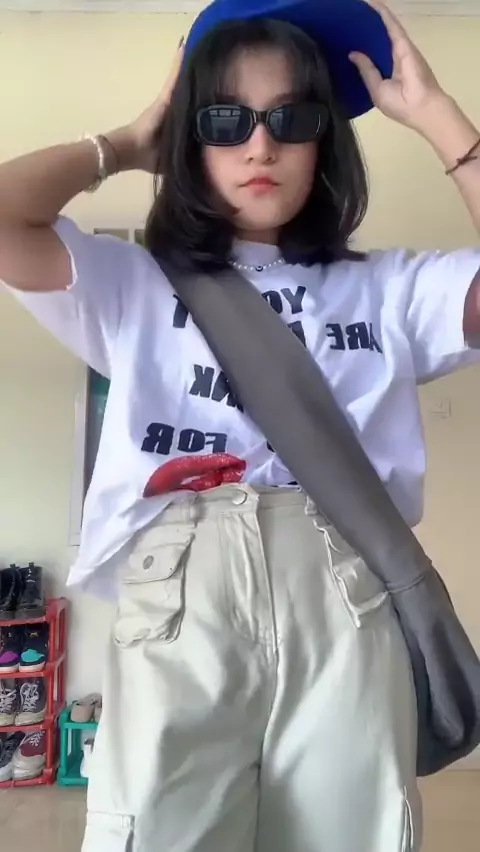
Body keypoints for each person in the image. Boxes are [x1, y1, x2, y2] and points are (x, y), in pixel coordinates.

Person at [1, 1, 479, 849]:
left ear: (325, 140)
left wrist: (442, 120)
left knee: (352, 834)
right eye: (225, 120)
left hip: (344, 583)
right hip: (181, 590)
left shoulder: (390, 290)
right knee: (162, 833)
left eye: (292, 119)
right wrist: (126, 144)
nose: (261, 147)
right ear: (191, 137)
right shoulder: (130, 283)